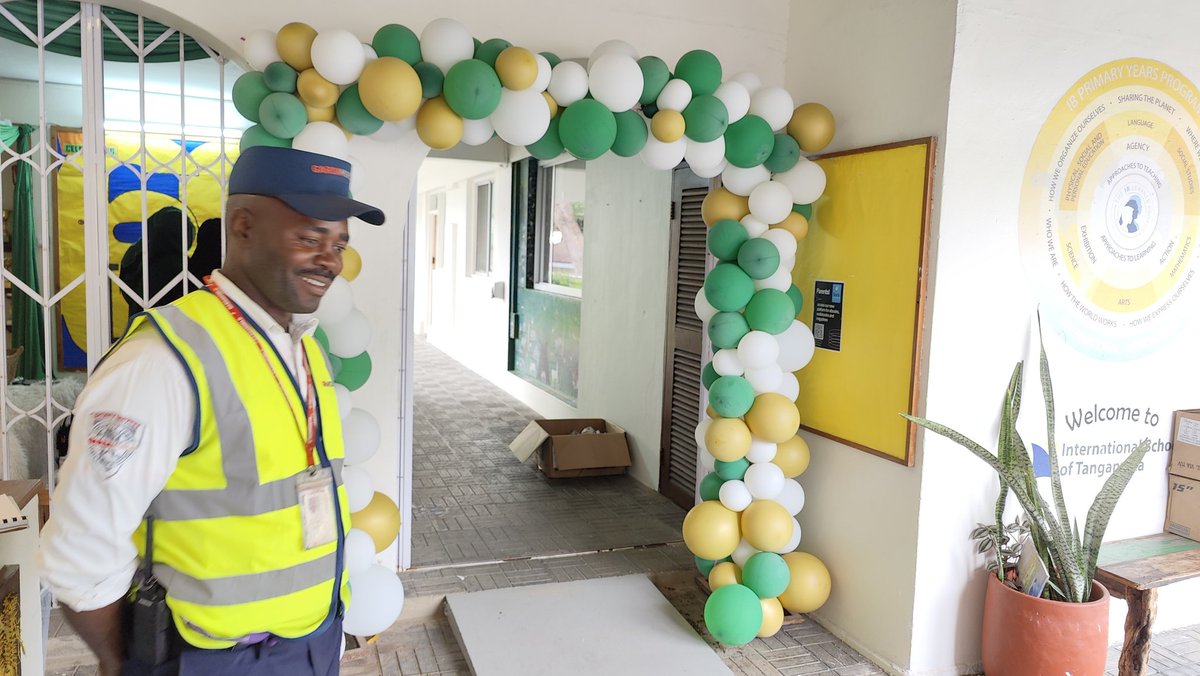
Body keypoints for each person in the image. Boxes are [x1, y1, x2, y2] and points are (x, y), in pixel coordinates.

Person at [40, 145, 386, 676]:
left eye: (339, 243)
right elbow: (79, 551)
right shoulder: (162, 363)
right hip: (212, 660)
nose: (331, 260)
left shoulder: (302, 347)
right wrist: (121, 662)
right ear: (243, 226)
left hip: (310, 643)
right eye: (309, 237)